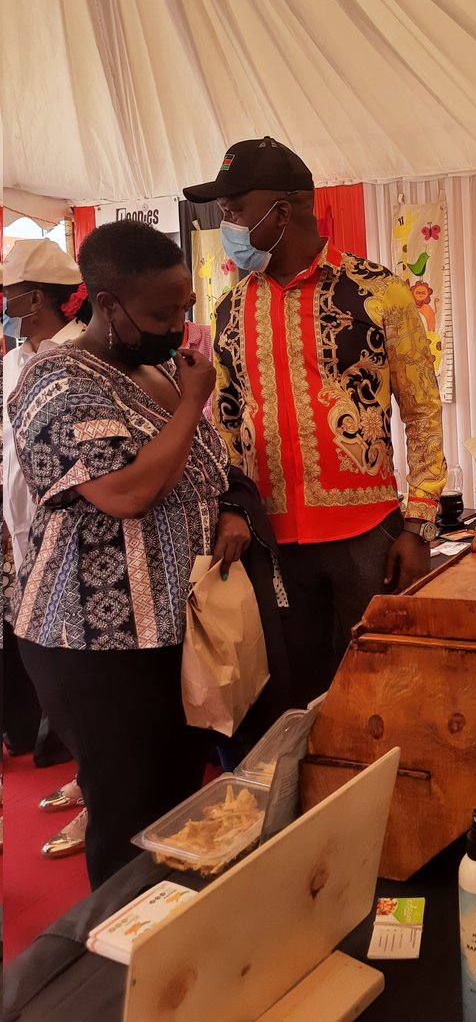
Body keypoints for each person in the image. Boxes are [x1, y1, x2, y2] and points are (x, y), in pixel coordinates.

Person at [8, 220, 250, 888]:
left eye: (183, 310)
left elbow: (205, 468)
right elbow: (126, 491)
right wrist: (192, 402)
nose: (176, 325)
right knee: (128, 820)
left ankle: (174, 947)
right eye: (159, 312)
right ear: (106, 303)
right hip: (95, 641)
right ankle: (120, 964)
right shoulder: (56, 381)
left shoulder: (151, 370)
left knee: (177, 805)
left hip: (169, 634)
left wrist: (230, 505)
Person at [183, 137, 447, 706]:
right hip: (271, 543)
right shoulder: (229, 308)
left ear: (283, 210)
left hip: (367, 536)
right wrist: (231, 505)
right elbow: (223, 422)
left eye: (235, 211)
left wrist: (418, 523)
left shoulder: (380, 294)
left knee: (379, 684)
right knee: (294, 692)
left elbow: (423, 410)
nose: (225, 223)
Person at [2, 240, 93, 856]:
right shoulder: (14, 360)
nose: (4, 303)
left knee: (80, 677)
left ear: (35, 297)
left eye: (8, 292)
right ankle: (87, 777)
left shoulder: (80, 356)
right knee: (47, 668)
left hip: (74, 542)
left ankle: (97, 789)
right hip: (22, 543)